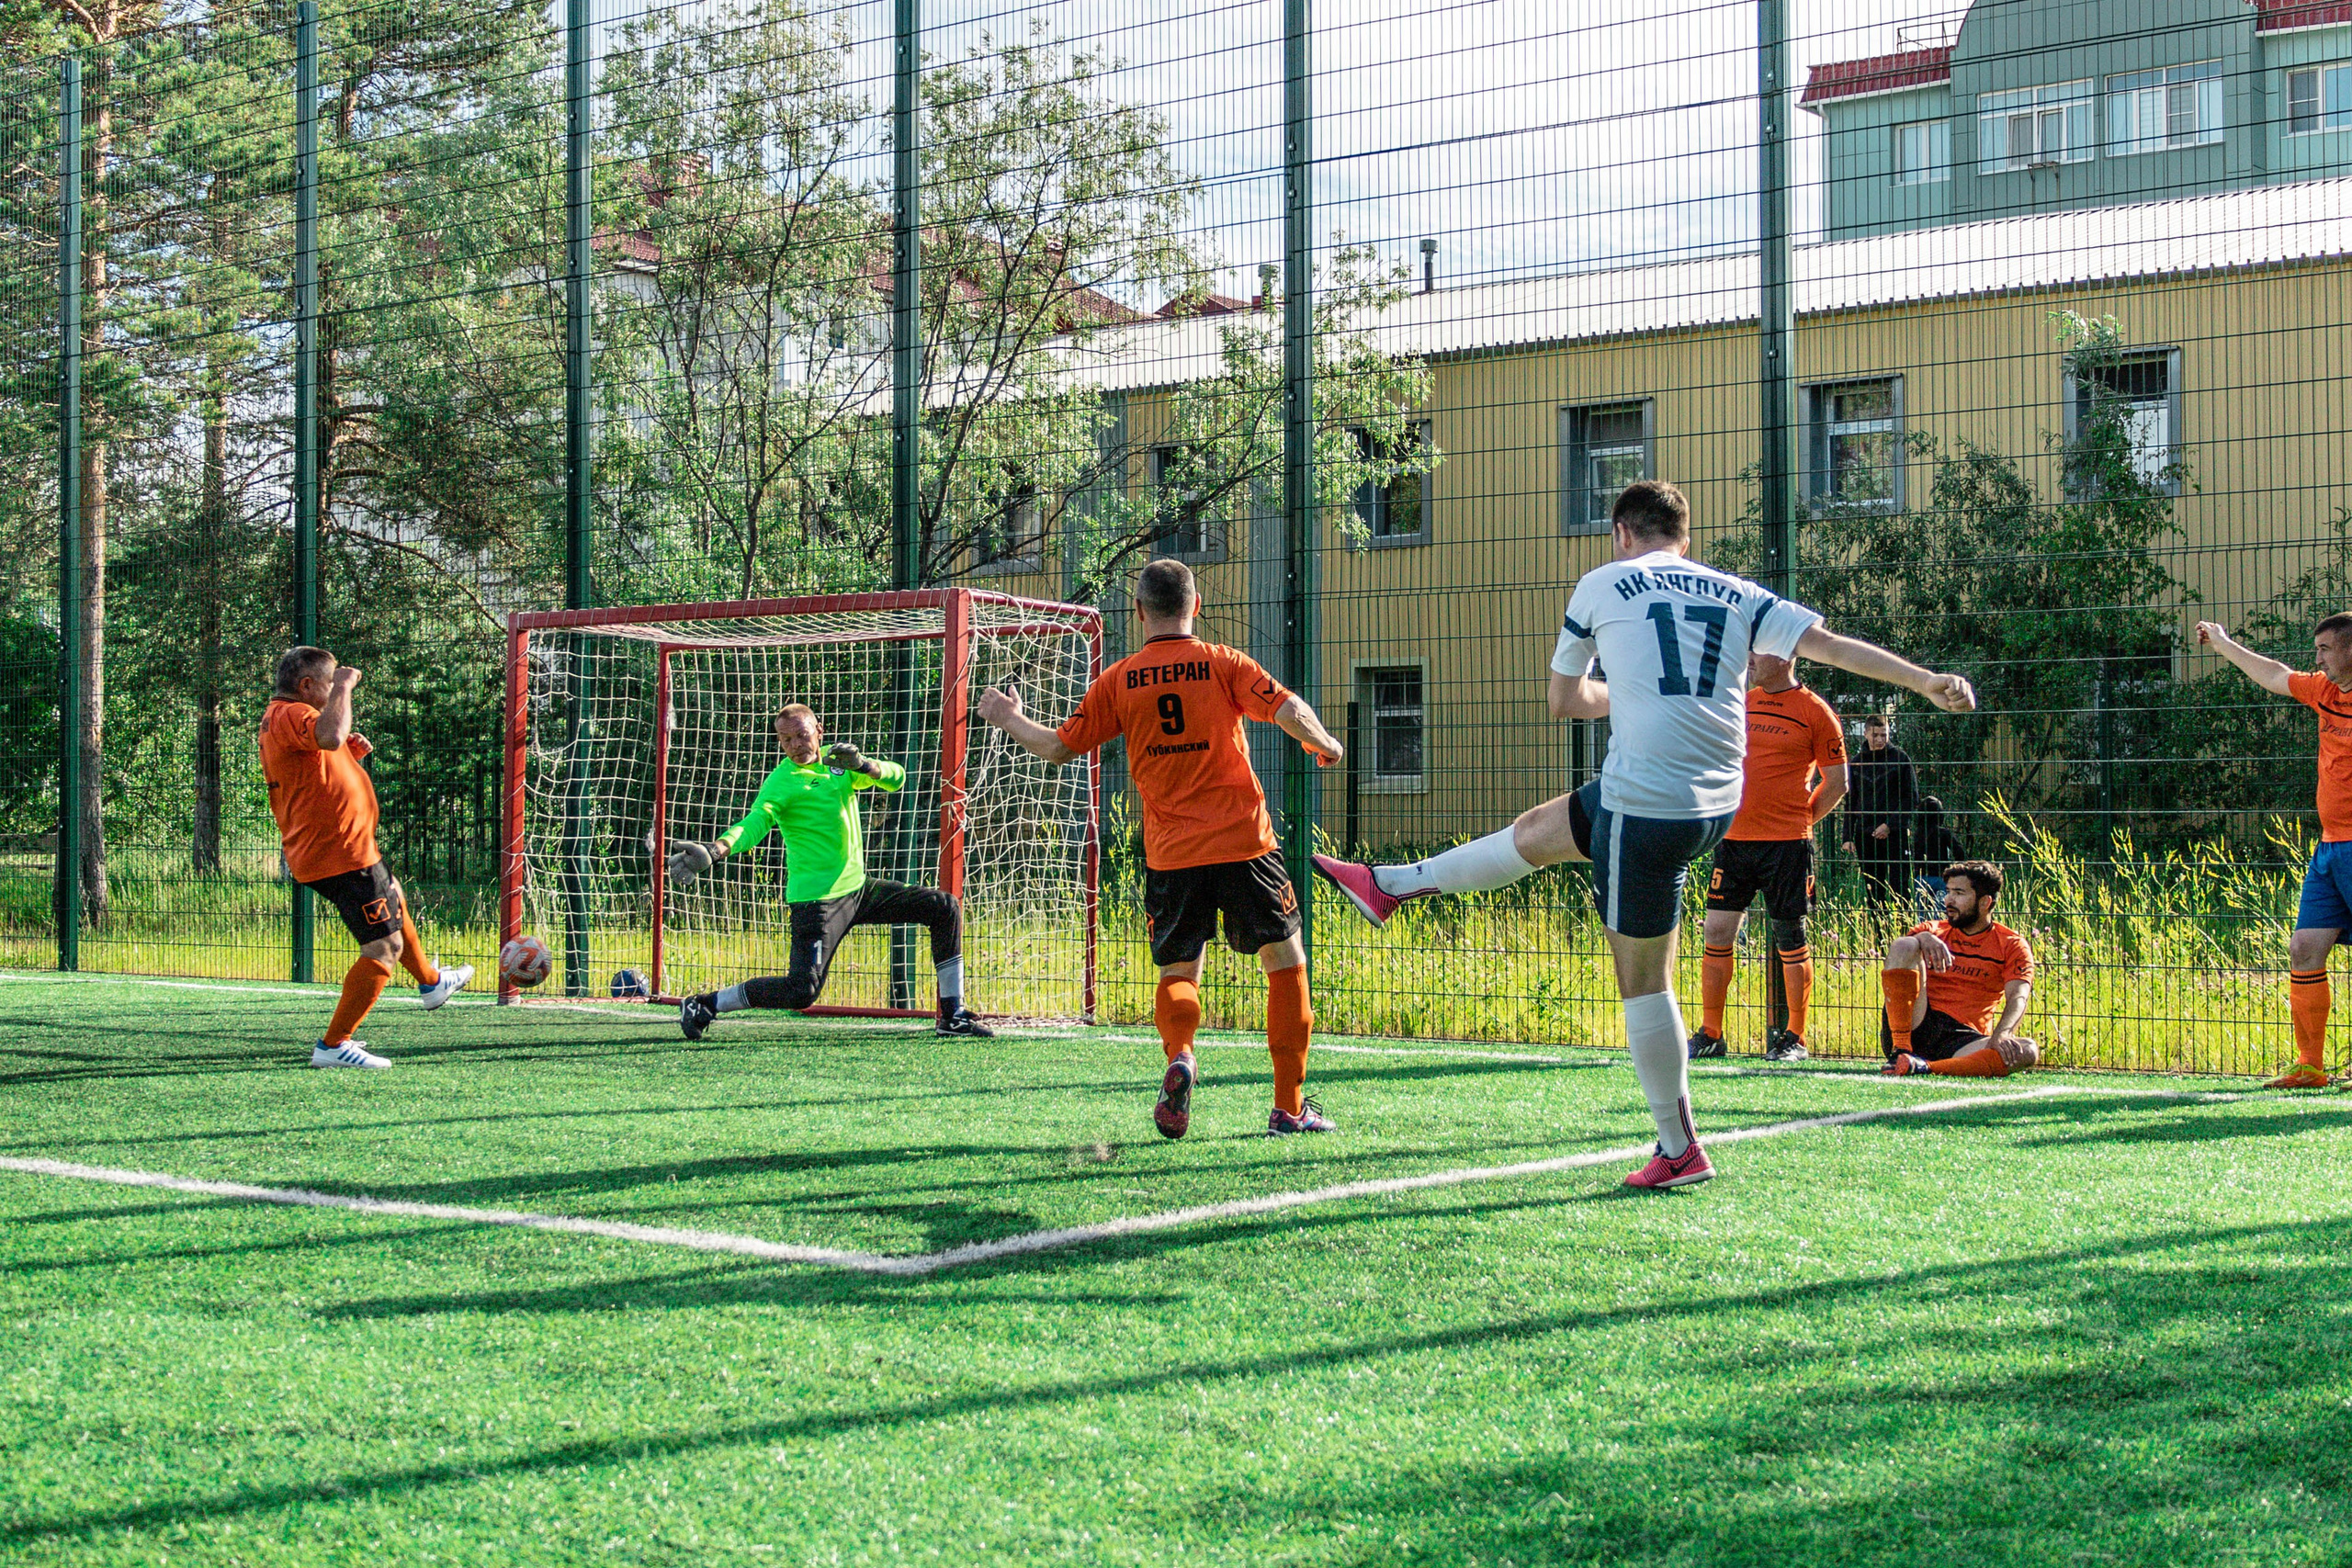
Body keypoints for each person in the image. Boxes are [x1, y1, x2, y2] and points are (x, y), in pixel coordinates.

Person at [1312, 480, 1975, 1190]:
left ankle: (1679, 1146)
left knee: (1643, 981)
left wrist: (1617, 689)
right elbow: (1832, 645)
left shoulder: (1601, 582)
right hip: (1716, 802)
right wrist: (1926, 680)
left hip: (1647, 807)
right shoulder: (1736, 591)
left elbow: (1565, 700)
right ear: (1684, 539)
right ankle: (1392, 885)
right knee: (1541, 829)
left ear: (1622, 533)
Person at [978, 558, 1347, 1139]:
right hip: (1244, 843)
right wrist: (1324, 743)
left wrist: (1008, 716)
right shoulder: (1222, 662)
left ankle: (1181, 1053)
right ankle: (1289, 1107)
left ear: (1139, 611)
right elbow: (1287, 708)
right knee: (1285, 962)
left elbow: (1057, 749)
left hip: (1171, 856)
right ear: (1195, 606)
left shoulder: (1119, 679)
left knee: (1180, 969)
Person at [666, 704, 991, 1041]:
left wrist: (863, 764)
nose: (795, 745)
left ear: (818, 731)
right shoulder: (782, 782)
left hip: (859, 889)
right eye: (786, 739)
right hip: (817, 900)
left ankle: (953, 1016)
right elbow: (755, 823)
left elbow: (897, 778)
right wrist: (716, 850)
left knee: (944, 907)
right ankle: (705, 1004)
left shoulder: (839, 764)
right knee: (801, 991)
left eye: (802, 735)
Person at [258, 647, 473, 1068]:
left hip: (346, 848)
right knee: (383, 945)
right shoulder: (291, 714)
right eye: (328, 682)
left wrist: (346, 757)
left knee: (393, 895)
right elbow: (329, 736)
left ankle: (431, 983)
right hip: (340, 853)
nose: (335, 689)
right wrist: (344, 686)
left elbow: (318, 758)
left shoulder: (286, 717)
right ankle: (334, 1045)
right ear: (307, 686)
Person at [2196, 614, 2352, 1088]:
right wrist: (2223, 644)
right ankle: (2310, 1066)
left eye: (2325, 649)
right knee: (2304, 948)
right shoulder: (2325, 691)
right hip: (2330, 848)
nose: (2318, 657)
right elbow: (2274, 675)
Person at [1688, 648, 1848, 1063]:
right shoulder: (1742, 701)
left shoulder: (1816, 712)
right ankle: (1711, 1033)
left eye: (1760, 651)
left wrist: (1801, 819)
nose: (1750, 658)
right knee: (1716, 931)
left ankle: (1795, 1037)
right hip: (1733, 841)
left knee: (1790, 937)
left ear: (1788, 657)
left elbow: (1837, 782)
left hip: (1787, 846)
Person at [1880, 860, 2039, 1077]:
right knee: (1905, 943)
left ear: (1985, 902)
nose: (1948, 900)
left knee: (2028, 1050)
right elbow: (1899, 957)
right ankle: (1900, 1051)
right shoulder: (1933, 930)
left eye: (1959, 893)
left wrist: (2002, 1034)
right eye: (1948, 892)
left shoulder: (2012, 944)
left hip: (1964, 1039)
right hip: (1918, 1024)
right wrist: (1923, 938)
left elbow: (2018, 997)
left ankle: (1924, 1067)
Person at [1842, 715, 1917, 910]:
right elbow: (1850, 802)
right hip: (1866, 835)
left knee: (1900, 888)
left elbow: (1911, 798)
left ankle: (1902, 933)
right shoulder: (1857, 763)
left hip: (1895, 834)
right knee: (1873, 891)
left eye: (1884, 735)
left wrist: (1890, 825)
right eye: (1875, 735)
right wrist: (1847, 836)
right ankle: (1879, 936)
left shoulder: (1900, 759)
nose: (1880, 739)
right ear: (1866, 733)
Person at [1911, 795, 1965, 919]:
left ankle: (1922, 935)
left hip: (1921, 877)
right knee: (1940, 915)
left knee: (1922, 915)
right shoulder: (1943, 833)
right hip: (1941, 877)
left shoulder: (1918, 834)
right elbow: (1959, 852)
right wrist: (1954, 869)